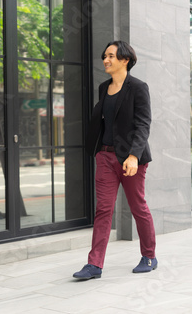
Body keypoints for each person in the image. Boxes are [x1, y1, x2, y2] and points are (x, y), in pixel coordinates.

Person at [73, 40, 157, 280]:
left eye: (110, 56)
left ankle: (149, 255)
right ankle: (94, 265)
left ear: (125, 60)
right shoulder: (104, 87)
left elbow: (143, 124)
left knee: (137, 206)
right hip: (106, 156)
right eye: (104, 56)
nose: (105, 60)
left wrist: (133, 155)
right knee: (103, 210)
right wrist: (98, 149)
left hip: (131, 159)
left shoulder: (138, 87)